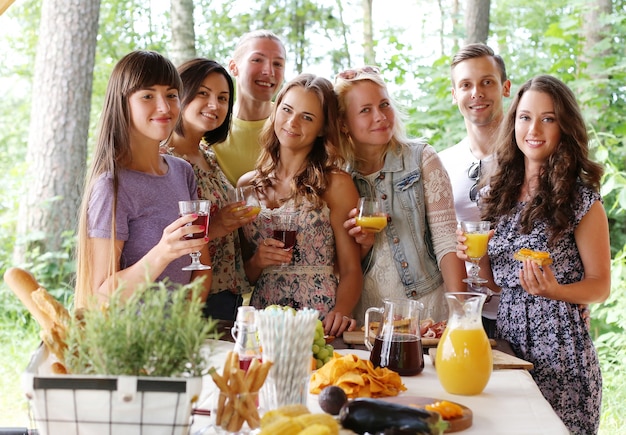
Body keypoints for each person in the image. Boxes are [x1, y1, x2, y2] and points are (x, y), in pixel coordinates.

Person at [457, 74, 610, 433]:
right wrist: (474, 256)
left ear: (564, 126)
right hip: (507, 343)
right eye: (525, 117)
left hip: (562, 348)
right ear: (513, 123)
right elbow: (496, 284)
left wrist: (556, 291)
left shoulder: (581, 200)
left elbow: (600, 286)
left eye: (548, 118)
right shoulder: (496, 193)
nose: (534, 129)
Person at [75, 50, 212, 309]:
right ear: (122, 103)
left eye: (171, 95)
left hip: (177, 340)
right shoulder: (111, 186)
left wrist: (184, 330)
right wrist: (163, 252)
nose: (164, 107)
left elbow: (201, 269)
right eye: (148, 95)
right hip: (130, 344)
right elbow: (99, 298)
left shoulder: (182, 171)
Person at [335, 66, 467, 326]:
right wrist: (362, 245)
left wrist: (459, 315)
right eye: (365, 110)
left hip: (427, 311)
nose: (380, 116)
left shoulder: (422, 159)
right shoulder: (338, 177)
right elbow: (339, 267)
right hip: (367, 315)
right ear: (343, 123)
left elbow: (447, 243)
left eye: (384, 104)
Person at [238, 73, 363, 337]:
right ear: (276, 111)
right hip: (264, 320)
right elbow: (244, 276)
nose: (292, 122)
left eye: (307, 117)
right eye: (287, 110)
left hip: (317, 321)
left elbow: (351, 268)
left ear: (321, 129)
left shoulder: (336, 184)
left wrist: (341, 311)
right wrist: (258, 260)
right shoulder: (246, 185)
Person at [162, 58, 256, 321]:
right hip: (190, 297)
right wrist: (215, 226)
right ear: (179, 94)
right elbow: (157, 238)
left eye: (223, 98)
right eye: (203, 93)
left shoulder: (208, 156)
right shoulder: (163, 160)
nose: (215, 105)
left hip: (227, 292)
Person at [439, 43, 511, 337]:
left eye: (487, 82)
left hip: (523, 310)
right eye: (466, 85)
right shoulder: (442, 163)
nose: (476, 93)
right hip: (464, 314)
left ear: (505, 88)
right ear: (455, 94)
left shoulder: (530, 156)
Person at [212, 30, 287, 186]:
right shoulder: (210, 127)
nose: (269, 71)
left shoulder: (292, 124)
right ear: (233, 67)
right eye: (257, 60)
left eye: (278, 64)